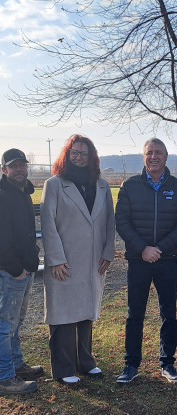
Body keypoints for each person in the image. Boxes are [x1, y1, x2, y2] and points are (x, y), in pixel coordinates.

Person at [116, 138, 177, 384]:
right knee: (134, 314)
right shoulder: (129, 186)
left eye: (158, 152)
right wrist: (143, 249)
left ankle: (167, 363)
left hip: (167, 260)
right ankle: (131, 365)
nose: (154, 156)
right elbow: (122, 222)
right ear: (143, 156)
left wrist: (158, 249)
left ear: (166, 157)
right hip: (138, 260)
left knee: (168, 313)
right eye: (149, 152)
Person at [41, 135, 115, 384]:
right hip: (65, 261)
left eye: (84, 153)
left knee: (85, 311)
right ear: (67, 154)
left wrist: (108, 251)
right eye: (74, 152)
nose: (79, 157)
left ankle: (85, 362)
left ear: (91, 156)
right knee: (62, 314)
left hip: (94, 260)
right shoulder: (54, 184)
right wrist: (55, 258)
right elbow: (47, 223)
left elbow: (109, 223)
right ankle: (63, 369)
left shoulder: (102, 186)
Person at [0, 148, 44, 395]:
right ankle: (5, 378)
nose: (19, 169)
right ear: (4, 170)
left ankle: (16, 365)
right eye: (13, 166)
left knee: (16, 322)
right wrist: (16, 269)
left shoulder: (23, 194)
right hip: (10, 273)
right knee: (5, 324)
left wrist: (31, 260)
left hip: (25, 270)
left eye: (22, 165)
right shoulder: (3, 196)